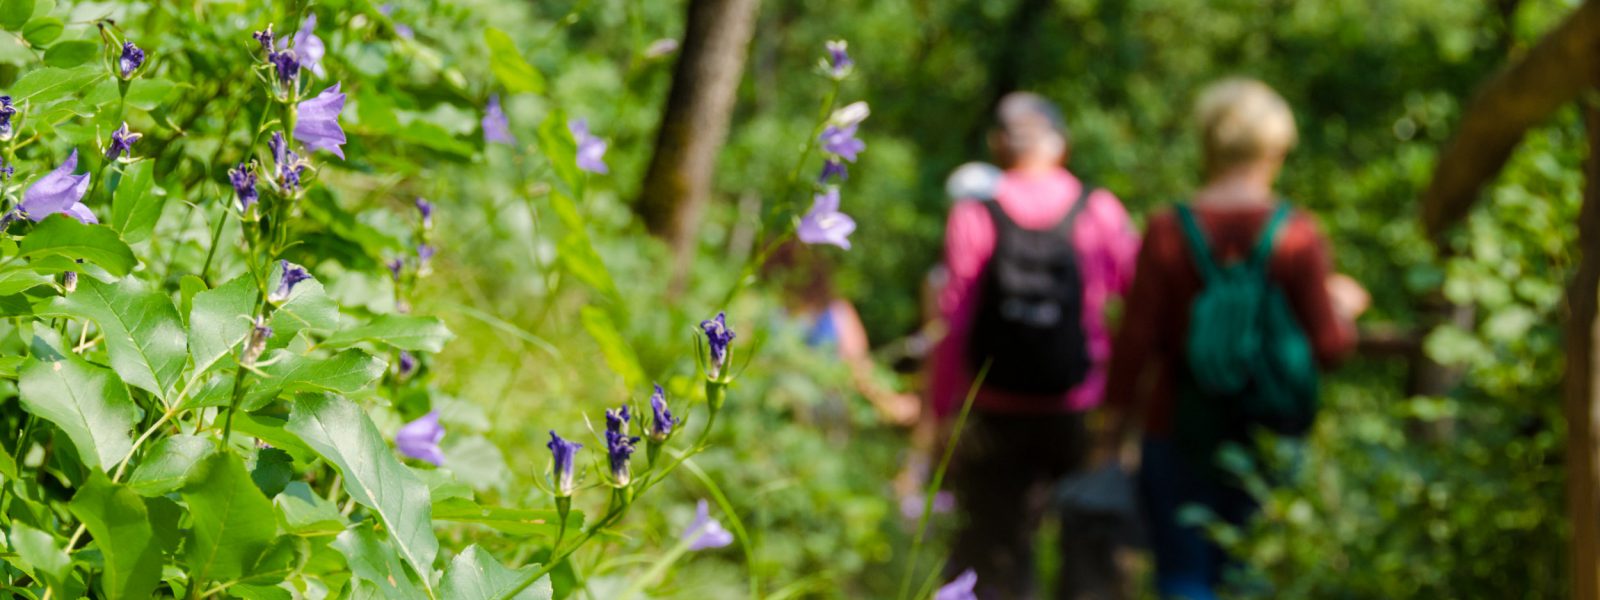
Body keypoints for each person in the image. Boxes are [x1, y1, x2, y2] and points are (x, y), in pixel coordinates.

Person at [1101, 78, 1369, 599]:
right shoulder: (1297, 234)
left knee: (1182, 573)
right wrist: (1345, 309)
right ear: (1274, 149)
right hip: (1270, 434)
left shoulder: (1167, 230)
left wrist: (1109, 429)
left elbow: (1135, 344)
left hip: (1176, 426)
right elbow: (1331, 347)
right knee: (1256, 576)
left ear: (1209, 144)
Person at [933, 92, 1140, 599]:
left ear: (998, 145)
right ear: (1061, 144)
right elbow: (1136, 304)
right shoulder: (1099, 210)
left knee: (993, 551)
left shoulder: (974, 213)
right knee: (1087, 548)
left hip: (992, 406)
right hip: (1076, 408)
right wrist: (1121, 410)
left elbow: (953, 322)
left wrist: (940, 413)